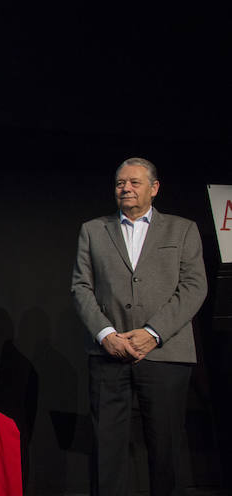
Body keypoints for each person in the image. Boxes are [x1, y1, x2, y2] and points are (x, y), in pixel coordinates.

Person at [71, 157, 207, 496]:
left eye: (134, 182)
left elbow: (193, 287)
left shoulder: (183, 229)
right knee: (107, 450)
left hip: (166, 354)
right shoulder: (93, 230)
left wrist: (153, 333)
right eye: (120, 183)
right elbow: (81, 288)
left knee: (165, 450)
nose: (126, 188)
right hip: (108, 355)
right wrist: (106, 335)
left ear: (154, 188)